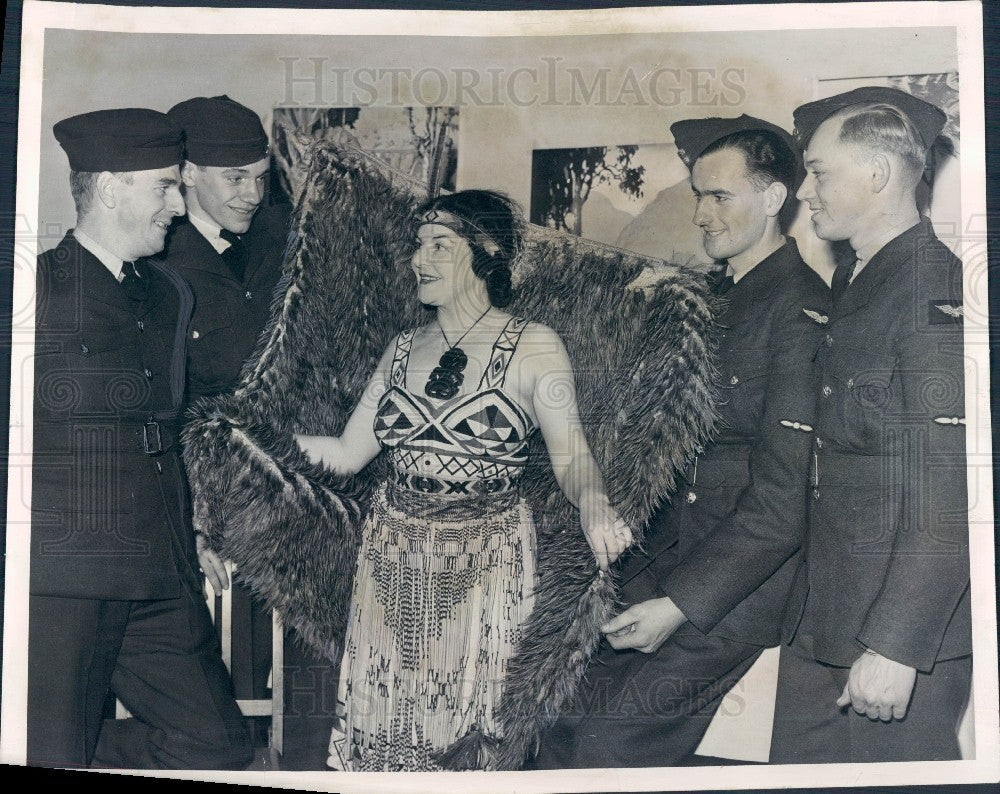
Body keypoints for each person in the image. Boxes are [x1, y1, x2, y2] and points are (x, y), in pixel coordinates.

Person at [293, 189, 633, 771]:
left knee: (469, 733)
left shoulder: (534, 345)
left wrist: (595, 504)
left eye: (440, 246)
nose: (419, 259)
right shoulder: (401, 349)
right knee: (388, 727)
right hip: (392, 554)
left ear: (489, 251)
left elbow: (572, 457)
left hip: (485, 562)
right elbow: (348, 454)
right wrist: (253, 439)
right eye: (419, 245)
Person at [531, 115, 829, 767]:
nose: (701, 214)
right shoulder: (722, 297)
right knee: (548, 720)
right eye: (698, 195)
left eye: (719, 196)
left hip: (737, 589)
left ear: (774, 199)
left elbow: (781, 507)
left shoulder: (799, 314)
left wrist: (679, 605)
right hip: (670, 559)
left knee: (606, 747)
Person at [28, 108, 252, 769]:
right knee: (49, 748)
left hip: (161, 567)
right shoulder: (34, 287)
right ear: (108, 187)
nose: (179, 207)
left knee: (217, 745)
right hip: (64, 577)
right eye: (164, 186)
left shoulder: (168, 292)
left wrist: (197, 527)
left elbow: (173, 426)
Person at [770, 87, 970, 763]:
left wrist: (895, 644)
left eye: (820, 172)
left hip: (891, 636)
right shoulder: (862, 284)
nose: (805, 190)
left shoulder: (927, 292)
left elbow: (950, 491)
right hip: (828, 620)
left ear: (878, 176)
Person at [159, 94, 289, 714]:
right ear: (187, 175)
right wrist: (190, 518)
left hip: (291, 486)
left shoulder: (284, 238)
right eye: (234, 179)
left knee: (286, 689)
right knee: (217, 693)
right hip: (202, 497)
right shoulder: (155, 255)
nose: (251, 194)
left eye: (261, 178)